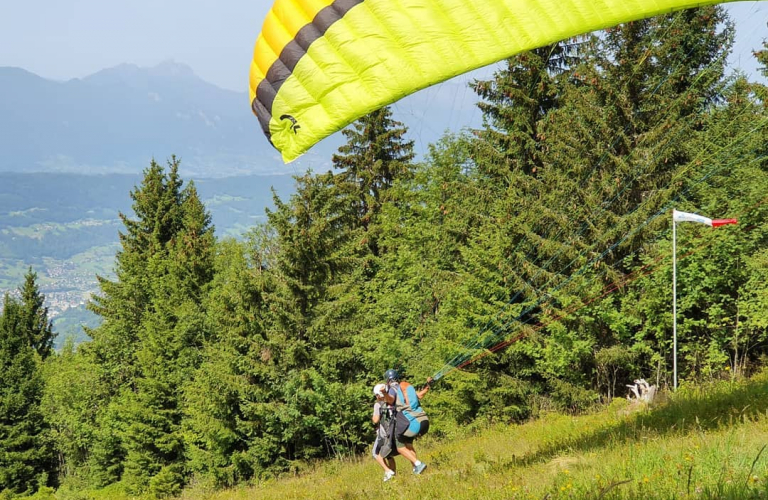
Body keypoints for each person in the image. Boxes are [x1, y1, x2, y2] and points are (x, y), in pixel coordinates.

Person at [380, 369, 433, 475]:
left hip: (411, 422)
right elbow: (420, 395)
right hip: (423, 420)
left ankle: (418, 464)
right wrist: (428, 385)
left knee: (400, 447)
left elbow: (390, 400)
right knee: (408, 444)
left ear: (387, 380)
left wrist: (384, 392)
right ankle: (416, 469)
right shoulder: (405, 388)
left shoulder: (392, 388)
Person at [371, 383, 397, 482]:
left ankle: (388, 471)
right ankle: (393, 473)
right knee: (388, 455)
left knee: (375, 453)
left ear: (378, 395)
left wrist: (373, 417)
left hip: (383, 434)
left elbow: (376, 420)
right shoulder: (392, 403)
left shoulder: (378, 405)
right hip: (393, 431)